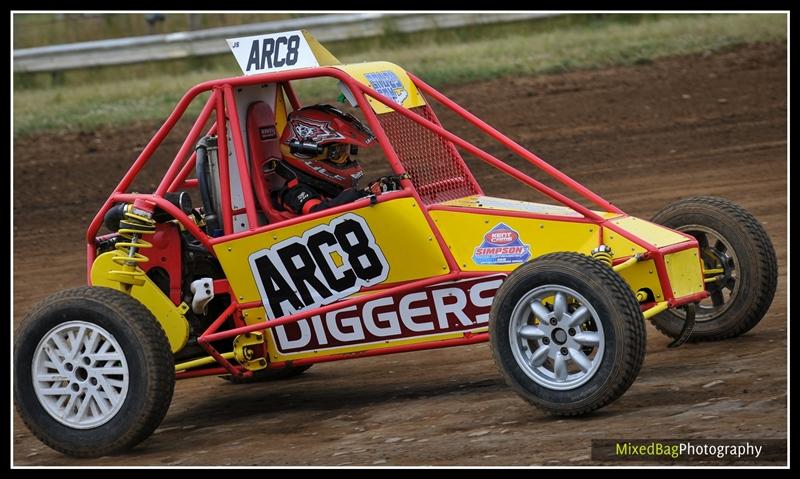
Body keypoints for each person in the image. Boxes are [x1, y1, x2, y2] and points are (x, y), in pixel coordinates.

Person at [274, 104, 405, 215]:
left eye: (346, 150)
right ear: (306, 154)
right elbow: (318, 212)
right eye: (337, 153)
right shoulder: (294, 191)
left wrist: (374, 190)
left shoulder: (325, 186)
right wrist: (362, 195)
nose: (346, 158)